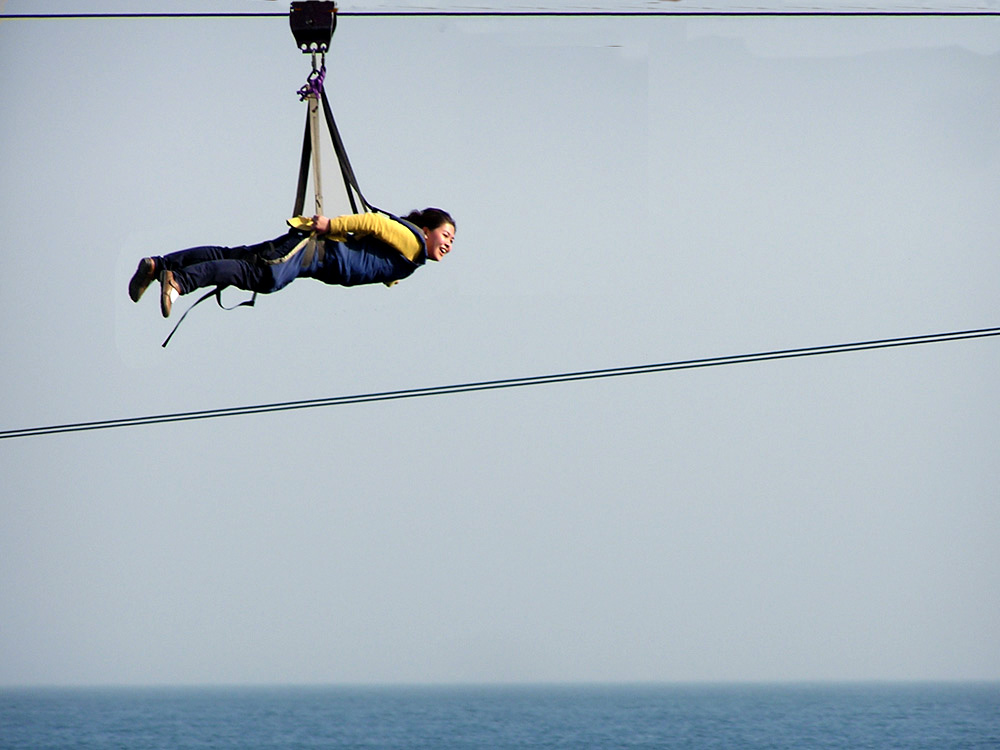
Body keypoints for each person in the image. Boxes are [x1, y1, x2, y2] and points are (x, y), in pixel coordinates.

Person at [128, 208, 456, 317]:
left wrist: (393, 275)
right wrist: (332, 226)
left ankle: (158, 266)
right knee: (262, 276)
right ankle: (179, 281)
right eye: (446, 236)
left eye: (452, 241)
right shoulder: (410, 239)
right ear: (427, 230)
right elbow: (374, 223)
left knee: (236, 256)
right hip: (310, 250)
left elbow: (377, 262)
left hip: (310, 252)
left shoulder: (411, 257)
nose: (449, 244)